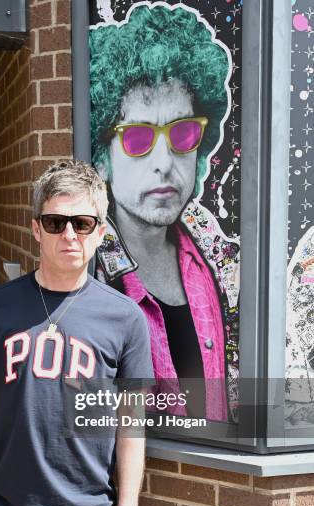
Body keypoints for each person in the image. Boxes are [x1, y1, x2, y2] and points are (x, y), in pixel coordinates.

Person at [0, 160, 154, 506]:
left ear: (100, 231)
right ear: (36, 228)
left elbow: (132, 423)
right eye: (55, 222)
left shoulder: (125, 318)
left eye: (82, 223)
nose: (69, 234)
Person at [90, 4, 237, 422]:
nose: (164, 161)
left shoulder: (218, 267)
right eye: (137, 138)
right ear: (104, 158)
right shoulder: (89, 276)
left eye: (182, 133)